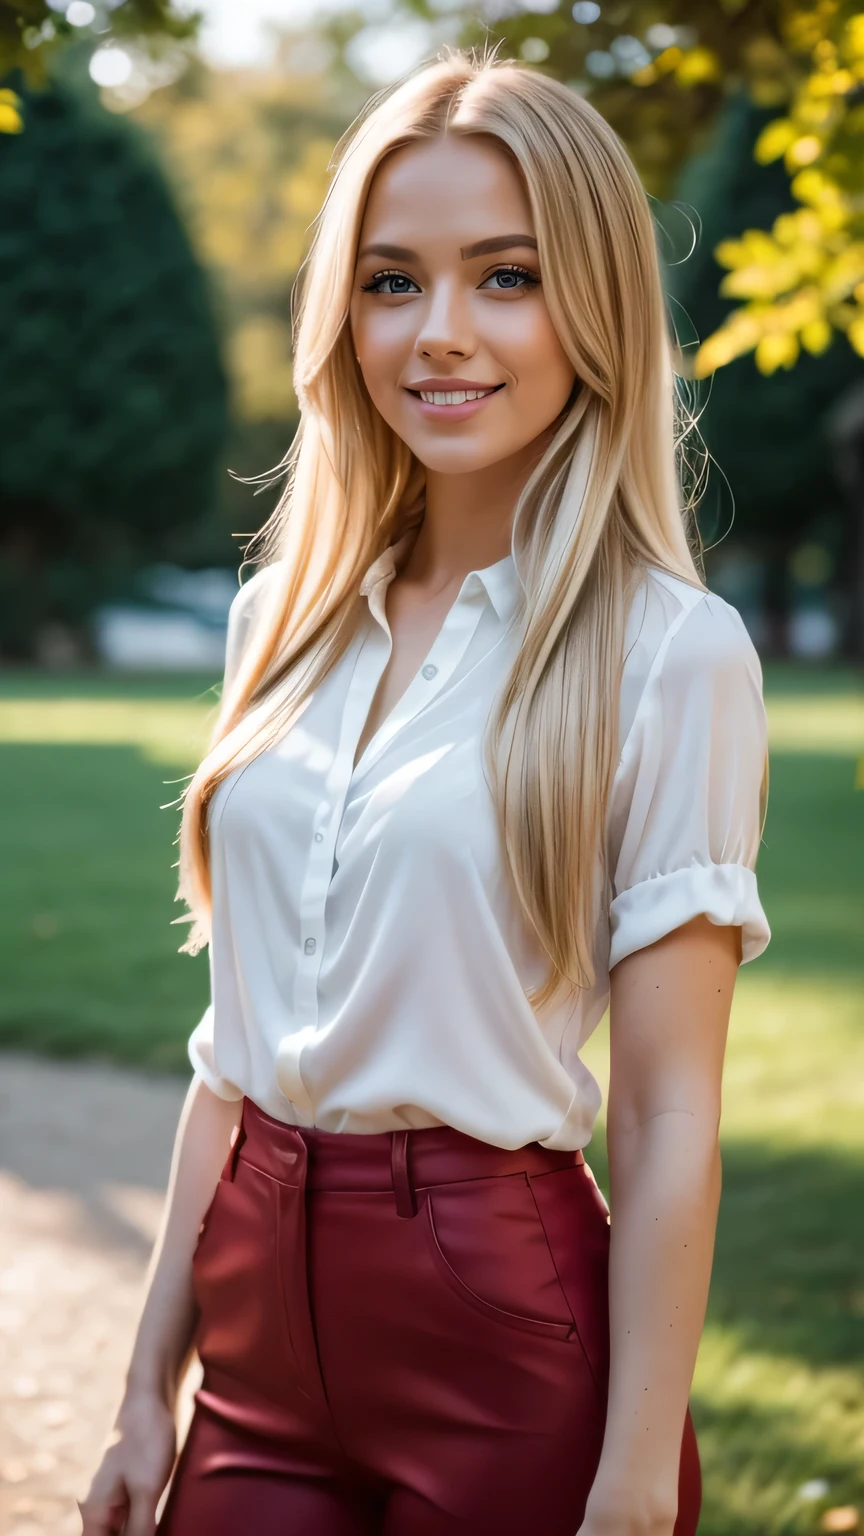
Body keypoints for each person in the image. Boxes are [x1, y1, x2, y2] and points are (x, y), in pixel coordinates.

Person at [78, 47, 770, 1536]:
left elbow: (663, 1122)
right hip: (254, 1347)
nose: (439, 334)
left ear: (592, 307)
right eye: (393, 282)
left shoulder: (672, 655)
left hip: (502, 1348)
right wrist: (148, 1388)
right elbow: (234, 1055)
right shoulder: (280, 620)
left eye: (503, 277)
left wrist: (637, 1490)